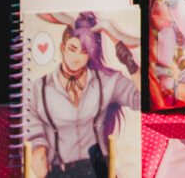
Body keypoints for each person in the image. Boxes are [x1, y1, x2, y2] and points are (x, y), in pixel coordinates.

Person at [27, 13, 140, 177]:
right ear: (63, 47)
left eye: (84, 52)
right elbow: (35, 145)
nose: (76, 58)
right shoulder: (38, 89)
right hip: (61, 172)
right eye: (72, 49)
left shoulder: (105, 81)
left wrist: (128, 59)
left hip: (99, 169)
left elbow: (143, 99)